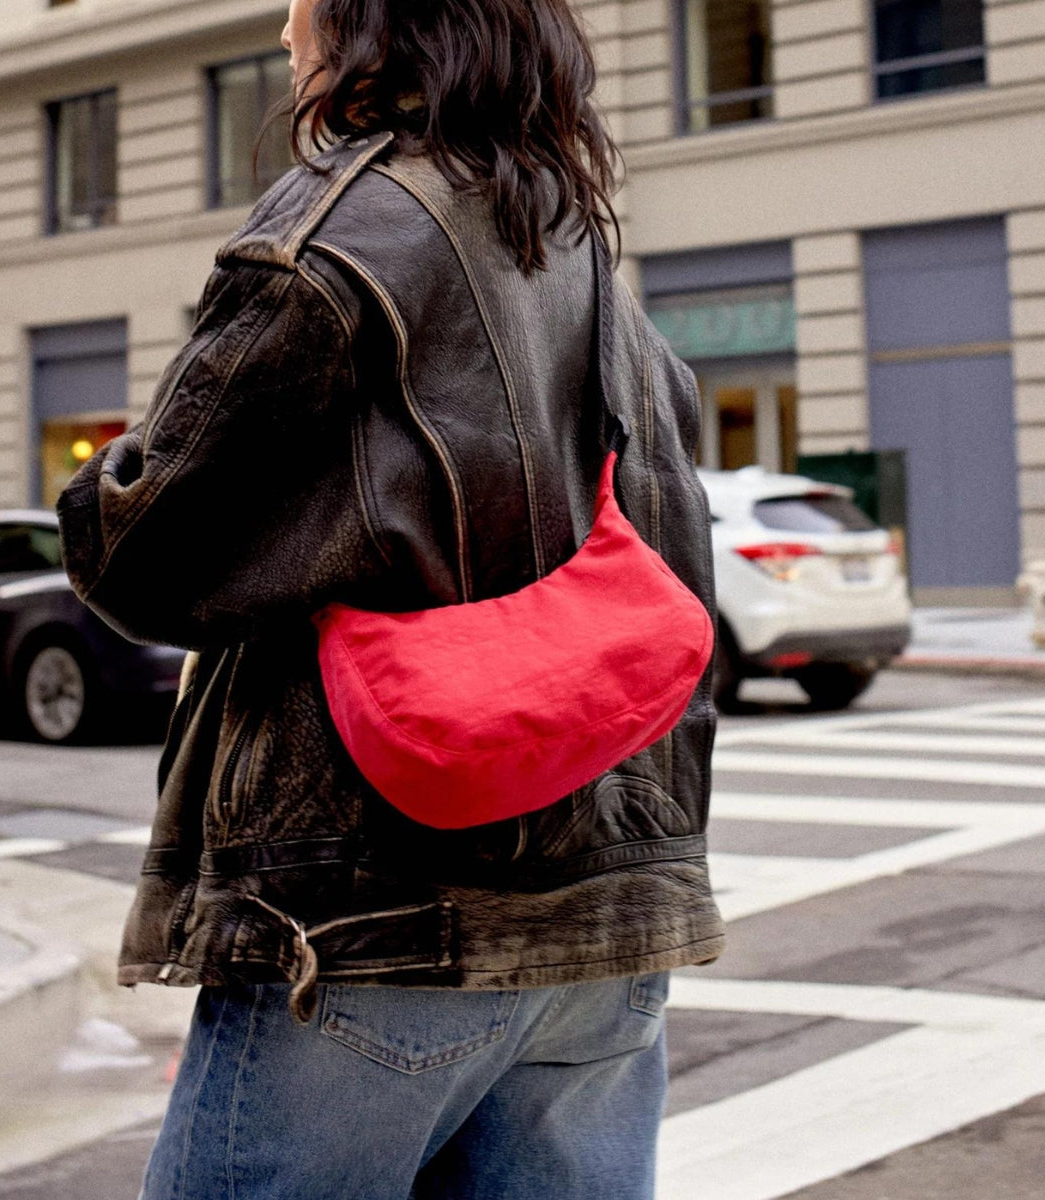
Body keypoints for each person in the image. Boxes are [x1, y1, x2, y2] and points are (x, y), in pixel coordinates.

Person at [58, 1, 724, 1196]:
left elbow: (145, 552)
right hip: (608, 924)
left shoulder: (340, 229)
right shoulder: (577, 238)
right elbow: (678, 544)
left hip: (373, 921)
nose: (282, 29)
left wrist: (94, 486)